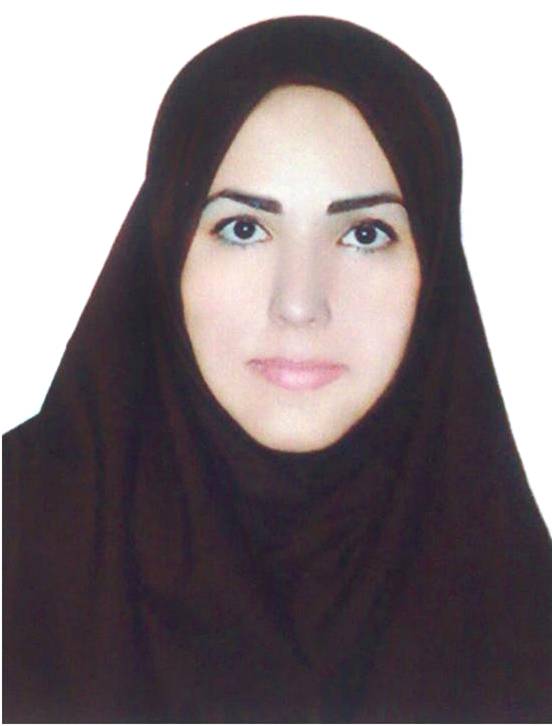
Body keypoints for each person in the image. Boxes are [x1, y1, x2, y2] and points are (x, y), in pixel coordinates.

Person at [3, 15, 550, 723]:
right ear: (165, 251)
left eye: (364, 234)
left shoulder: (520, 611)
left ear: (433, 272)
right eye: (243, 228)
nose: (299, 304)